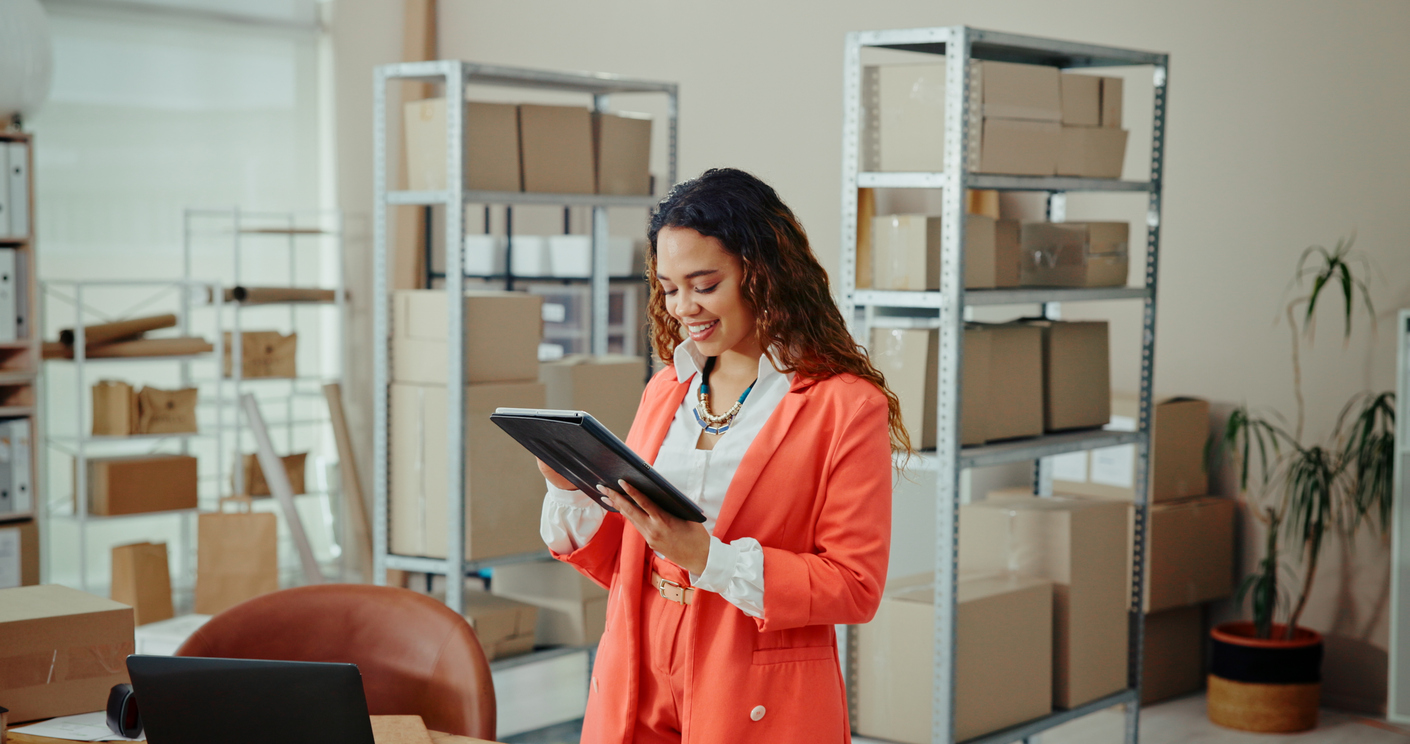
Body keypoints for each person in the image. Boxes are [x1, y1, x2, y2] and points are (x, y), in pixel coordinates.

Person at [536, 167, 910, 744]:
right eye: (668, 287)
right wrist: (571, 490)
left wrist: (708, 557)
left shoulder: (844, 406)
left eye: (704, 284)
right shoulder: (667, 388)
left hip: (751, 673)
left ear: (762, 273)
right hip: (636, 658)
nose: (683, 306)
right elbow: (629, 561)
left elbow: (854, 586)